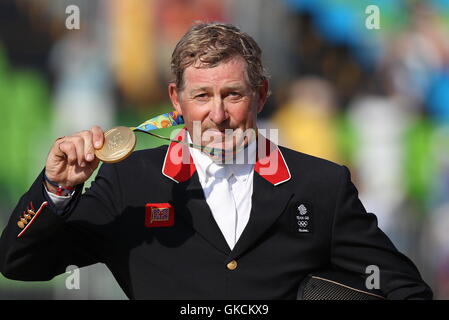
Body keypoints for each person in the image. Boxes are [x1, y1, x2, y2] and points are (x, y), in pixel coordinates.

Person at [0, 23, 432, 299]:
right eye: (202, 96)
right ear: (177, 100)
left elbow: (404, 290)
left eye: (233, 95)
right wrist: (57, 191)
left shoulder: (320, 184)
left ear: (261, 95)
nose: (218, 115)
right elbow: (20, 263)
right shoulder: (128, 182)